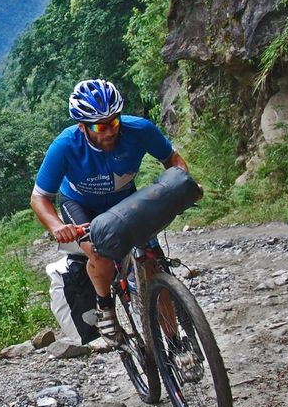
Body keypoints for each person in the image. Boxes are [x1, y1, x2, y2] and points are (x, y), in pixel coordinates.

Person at [30, 78, 193, 338]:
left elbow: (172, 159)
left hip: (125, 201)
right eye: (100, 126)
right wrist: (57, 227)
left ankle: (175, 343)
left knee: (153, 264)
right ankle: (105, 306)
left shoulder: (139, 130)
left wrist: (182, 185)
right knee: (100, 253)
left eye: (114, 122)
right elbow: (39, 197)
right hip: (80, 205)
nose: (109, 132)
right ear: (82, 126)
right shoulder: (65, 146)